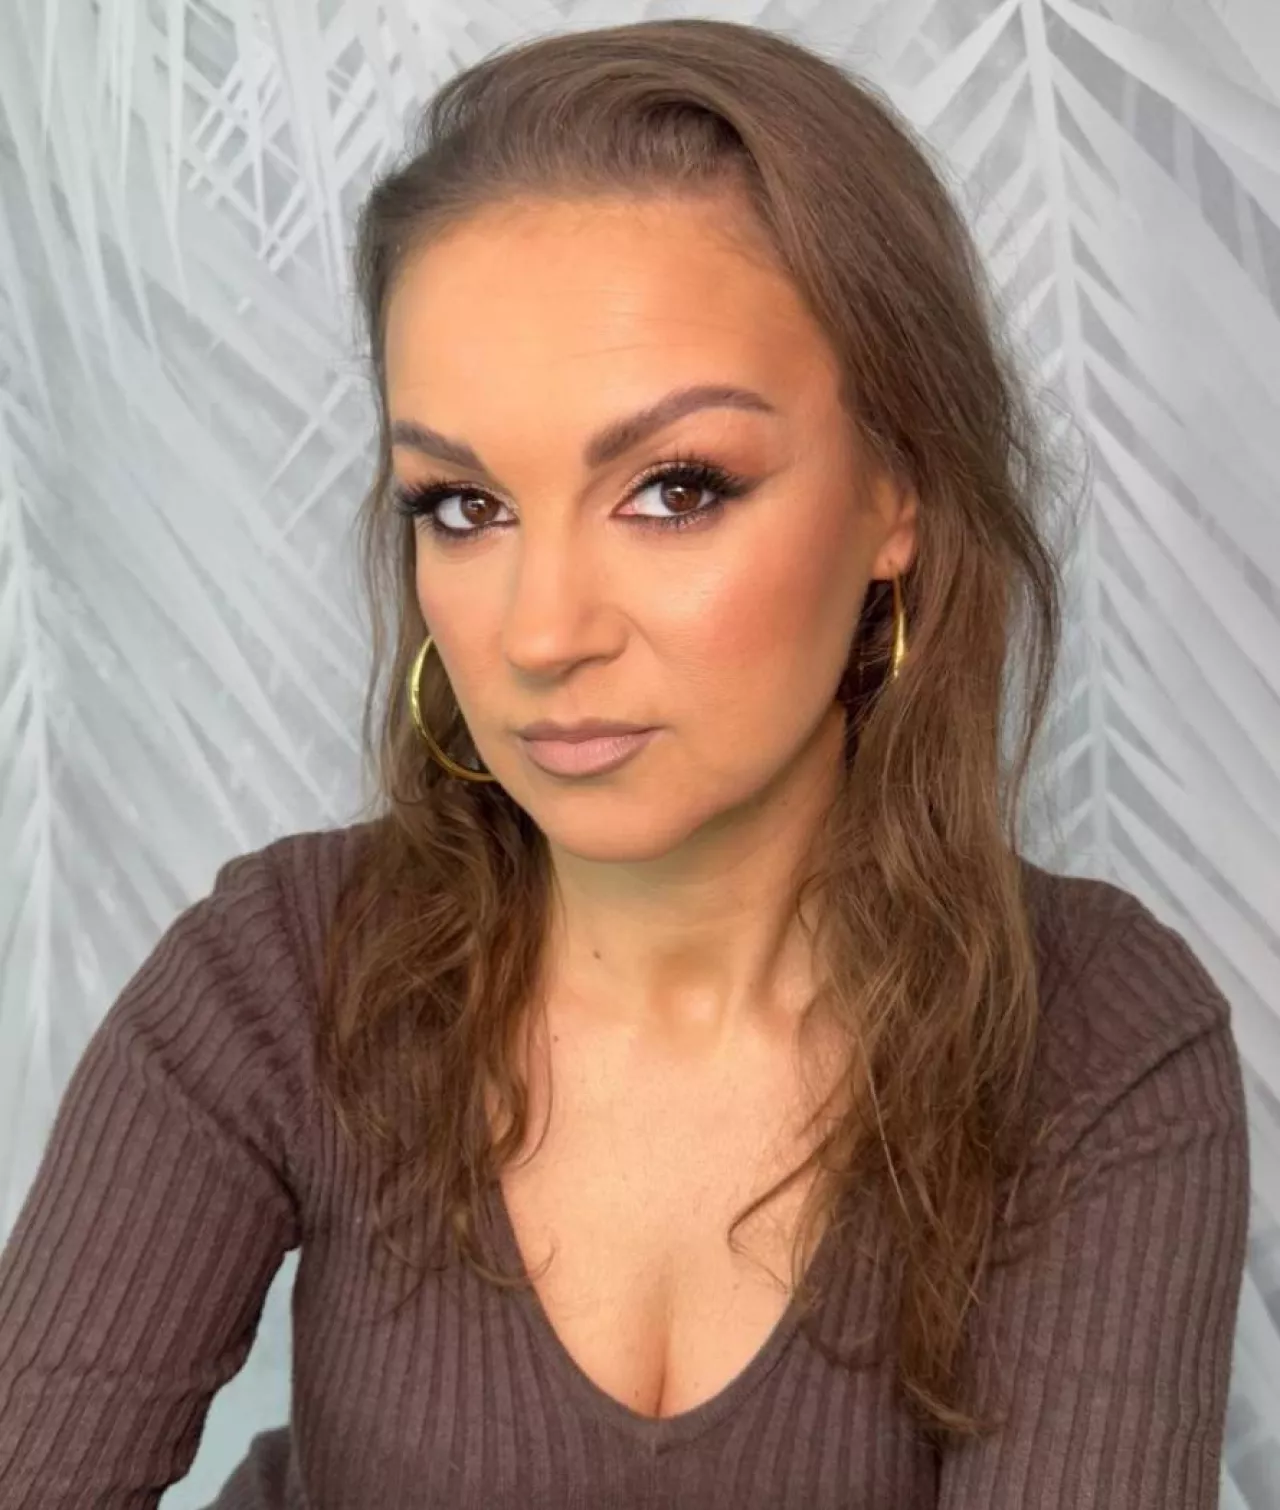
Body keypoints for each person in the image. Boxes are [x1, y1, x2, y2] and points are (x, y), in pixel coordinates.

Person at [0, 17, 1249, 1510]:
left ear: (897, 491)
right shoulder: (281, 976)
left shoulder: (1097, 1042)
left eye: (675, 488)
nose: (542, 633)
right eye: (463, 505)